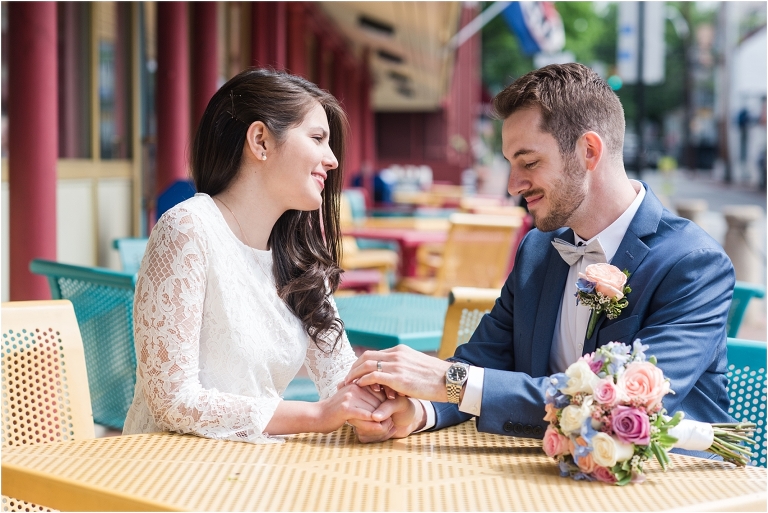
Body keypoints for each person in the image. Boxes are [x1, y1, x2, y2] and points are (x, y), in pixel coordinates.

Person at [346, 63, 736, 457]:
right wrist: (418, 411)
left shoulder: (694, 264)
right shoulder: (538, 249)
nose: (513, 186)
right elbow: (486, 360)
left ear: (588, 151)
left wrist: (452, 380)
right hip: (549, 471)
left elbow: (624, 407)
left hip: (668, 479)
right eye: (510, 164)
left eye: (529, 163)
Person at [123, 68, 393, 443]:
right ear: (260, 140)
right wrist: (317, 415)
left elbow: (340, 376)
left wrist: (377, 402)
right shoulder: (188, 229)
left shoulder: (297, 257)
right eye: (317, 138)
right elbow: (172, 400)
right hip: (170, 466)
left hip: (254, 464)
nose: (332, 160)